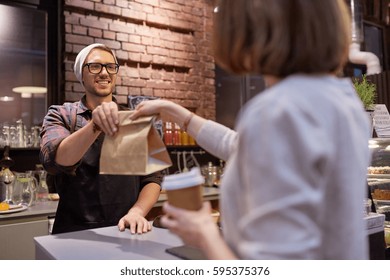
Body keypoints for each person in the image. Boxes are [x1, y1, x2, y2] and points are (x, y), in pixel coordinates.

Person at [128, 0, 371, 259]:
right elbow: (239, 145)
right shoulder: (343, 100)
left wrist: (203, 233)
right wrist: (175, 111)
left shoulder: (278, 110)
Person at [40, 43, 162, 234]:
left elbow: (154, 177)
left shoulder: (136, 120)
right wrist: (95, 125)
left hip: (126, 229)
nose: (104, 73)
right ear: (81, 74)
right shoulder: (61, 114)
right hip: (73, 234)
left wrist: (137, 212)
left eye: (110, 67)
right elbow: (55, 161)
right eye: (95, 66)